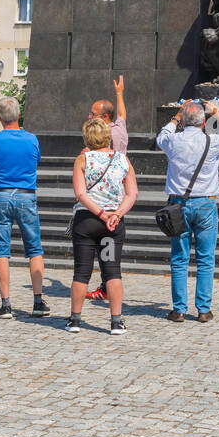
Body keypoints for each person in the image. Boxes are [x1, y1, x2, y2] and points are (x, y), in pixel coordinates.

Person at [156, 99, 219, 322]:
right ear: (203, 122)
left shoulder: (173, 140)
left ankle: (179, 310)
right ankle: (203, 310)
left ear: (184, 122)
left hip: (178, 205)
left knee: (179, 258)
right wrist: (218, 113)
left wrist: (177, 115)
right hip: (205, 203)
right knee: (205, 259)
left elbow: (161, 136)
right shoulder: (211, 141)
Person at [66, 116, 138, 334]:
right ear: (108, 136)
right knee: (112, 271)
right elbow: (132, 193)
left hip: (88, 222)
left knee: (82, 272)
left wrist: (100, 213)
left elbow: (80, 193)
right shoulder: (123, 160)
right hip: (111, 226)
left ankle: (75, 320)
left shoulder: (82, 160)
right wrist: (116, 213)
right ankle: (116, 321)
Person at [0, 96, 49, 320]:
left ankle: (6, 304)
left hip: (1, 195)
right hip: (26, 195)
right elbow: (36, 160)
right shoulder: (32, 139)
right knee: (34, 248)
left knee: (0, 249)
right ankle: (38, 301)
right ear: (19, 115)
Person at [86, 75, 129, 300]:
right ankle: (106, 283)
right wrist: (119, 93)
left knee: (105, 244)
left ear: (103, 117)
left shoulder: (106, 137)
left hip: (104, 198)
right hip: (118, 197)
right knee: (109, 243)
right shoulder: (119, 128)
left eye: (92, 114)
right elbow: (122, 115)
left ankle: (106, 284)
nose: (89, 117)